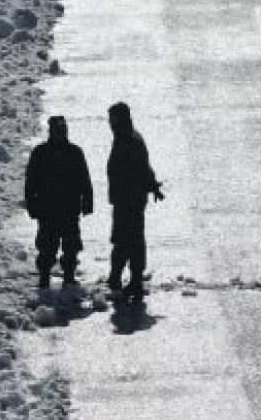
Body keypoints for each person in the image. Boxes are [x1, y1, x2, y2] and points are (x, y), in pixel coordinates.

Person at [24, 116, 93, 289]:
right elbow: (30, 181)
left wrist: (88, 201)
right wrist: (31, 204)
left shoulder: (75, 152)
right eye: (58, 129)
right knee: (46, 246)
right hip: (47, 209)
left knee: (71, 245)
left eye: (63, 129)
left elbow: (84, 179)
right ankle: (44, 276)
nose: (61, 132)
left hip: (70, 208)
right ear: (51, 130)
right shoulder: (40, 152)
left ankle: (69, 276)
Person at [105, 102, 163, 297]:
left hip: (131, 200)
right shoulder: (122, 137)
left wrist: (152, 185)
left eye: (113, 119)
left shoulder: (131, 140)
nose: (110, 123)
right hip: (124, 199)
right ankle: (116, 276)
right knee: (122, 238)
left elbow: (142, 168)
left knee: (132, 240)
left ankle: (134, 280)